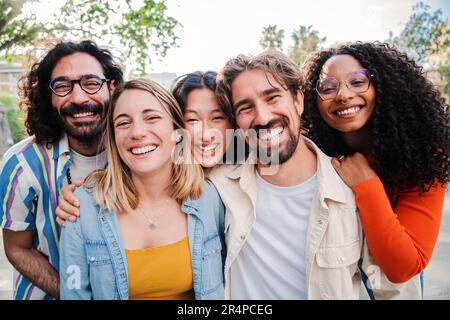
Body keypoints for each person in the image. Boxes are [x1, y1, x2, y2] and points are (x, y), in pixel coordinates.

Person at [210, 50, 422, 299]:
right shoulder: (220, 185)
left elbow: (395, 292)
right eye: (246, 108)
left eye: (273, 98)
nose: (263, 117)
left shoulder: (353, 190)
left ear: (298, 100)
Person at [59, 78, 225, 300]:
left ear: (177, 130)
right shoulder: (82, 206)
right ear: (113, 137)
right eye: (123, 123)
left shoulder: (208, 196)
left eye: (152, 118)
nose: (137, 132)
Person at [301, 41, 449, 283]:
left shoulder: (424, 153)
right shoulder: (308, 151)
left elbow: (404, 266)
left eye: (358, 82)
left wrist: (367, 184)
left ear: (383, 87)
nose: (343, 95)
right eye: (327, 87)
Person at [0, 40, 123, 300]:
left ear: (112, 88)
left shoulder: (137, 153)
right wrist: (74, 295)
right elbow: (17, 248)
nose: (78, 98)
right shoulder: (22, 165)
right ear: (49, 96)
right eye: (63, 86)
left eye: (91, 83)